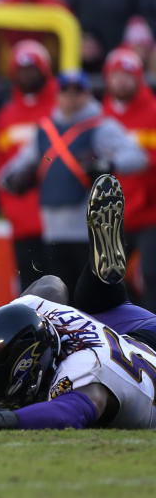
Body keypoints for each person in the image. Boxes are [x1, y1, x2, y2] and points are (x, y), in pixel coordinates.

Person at [0, 175, 156, 430]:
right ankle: (100, 276)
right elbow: (49, 287)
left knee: (83, 304)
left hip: (133, 346)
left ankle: (101, 276)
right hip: (131, 330)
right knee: (85, 302)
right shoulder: (45, 318)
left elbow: (70, 412)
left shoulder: (88, 371)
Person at [0, 71, 148, 293]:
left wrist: (108, 165)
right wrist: (13, 180)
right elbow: (10, 171)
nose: (71, 97)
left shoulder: (100, 126)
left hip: (88, 231)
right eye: (65, 91)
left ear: (88, 93)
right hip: (52, 230)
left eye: (77, 91)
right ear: (57, 94)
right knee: (60, 297)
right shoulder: (45, 130)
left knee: (92, 296)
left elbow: (138, 157)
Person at [0, 41, 58, 287]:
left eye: (33, 68)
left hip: (58, 219)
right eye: (22, 69)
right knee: (31, 293)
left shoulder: (58, 109)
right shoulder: (6, 116)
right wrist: (11, 208)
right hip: (23, 221)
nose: (27, 74)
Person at [100, 48, 156, 311]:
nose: (121, 81)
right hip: (114, 213)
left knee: (151, 276)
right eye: (116, 75)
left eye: (127, 75)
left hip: (149, 212)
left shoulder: (152, 112)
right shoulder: (100, 116)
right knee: (109, 280)